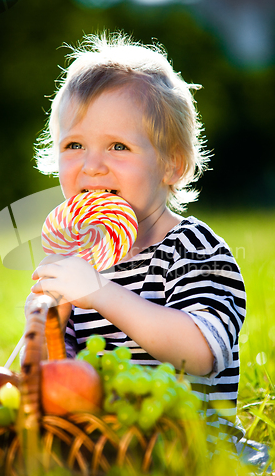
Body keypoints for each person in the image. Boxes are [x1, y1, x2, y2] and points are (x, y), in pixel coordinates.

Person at [27, 33, 246, 452]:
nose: (92, 166)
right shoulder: (78, 259)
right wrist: (42, 324)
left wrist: (99, 292)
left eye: (118, 146)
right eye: (74, 145)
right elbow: (46, 381)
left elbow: (201, 353)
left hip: (193, 451)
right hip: (102, 453)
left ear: (172, 165)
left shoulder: (195, 249)